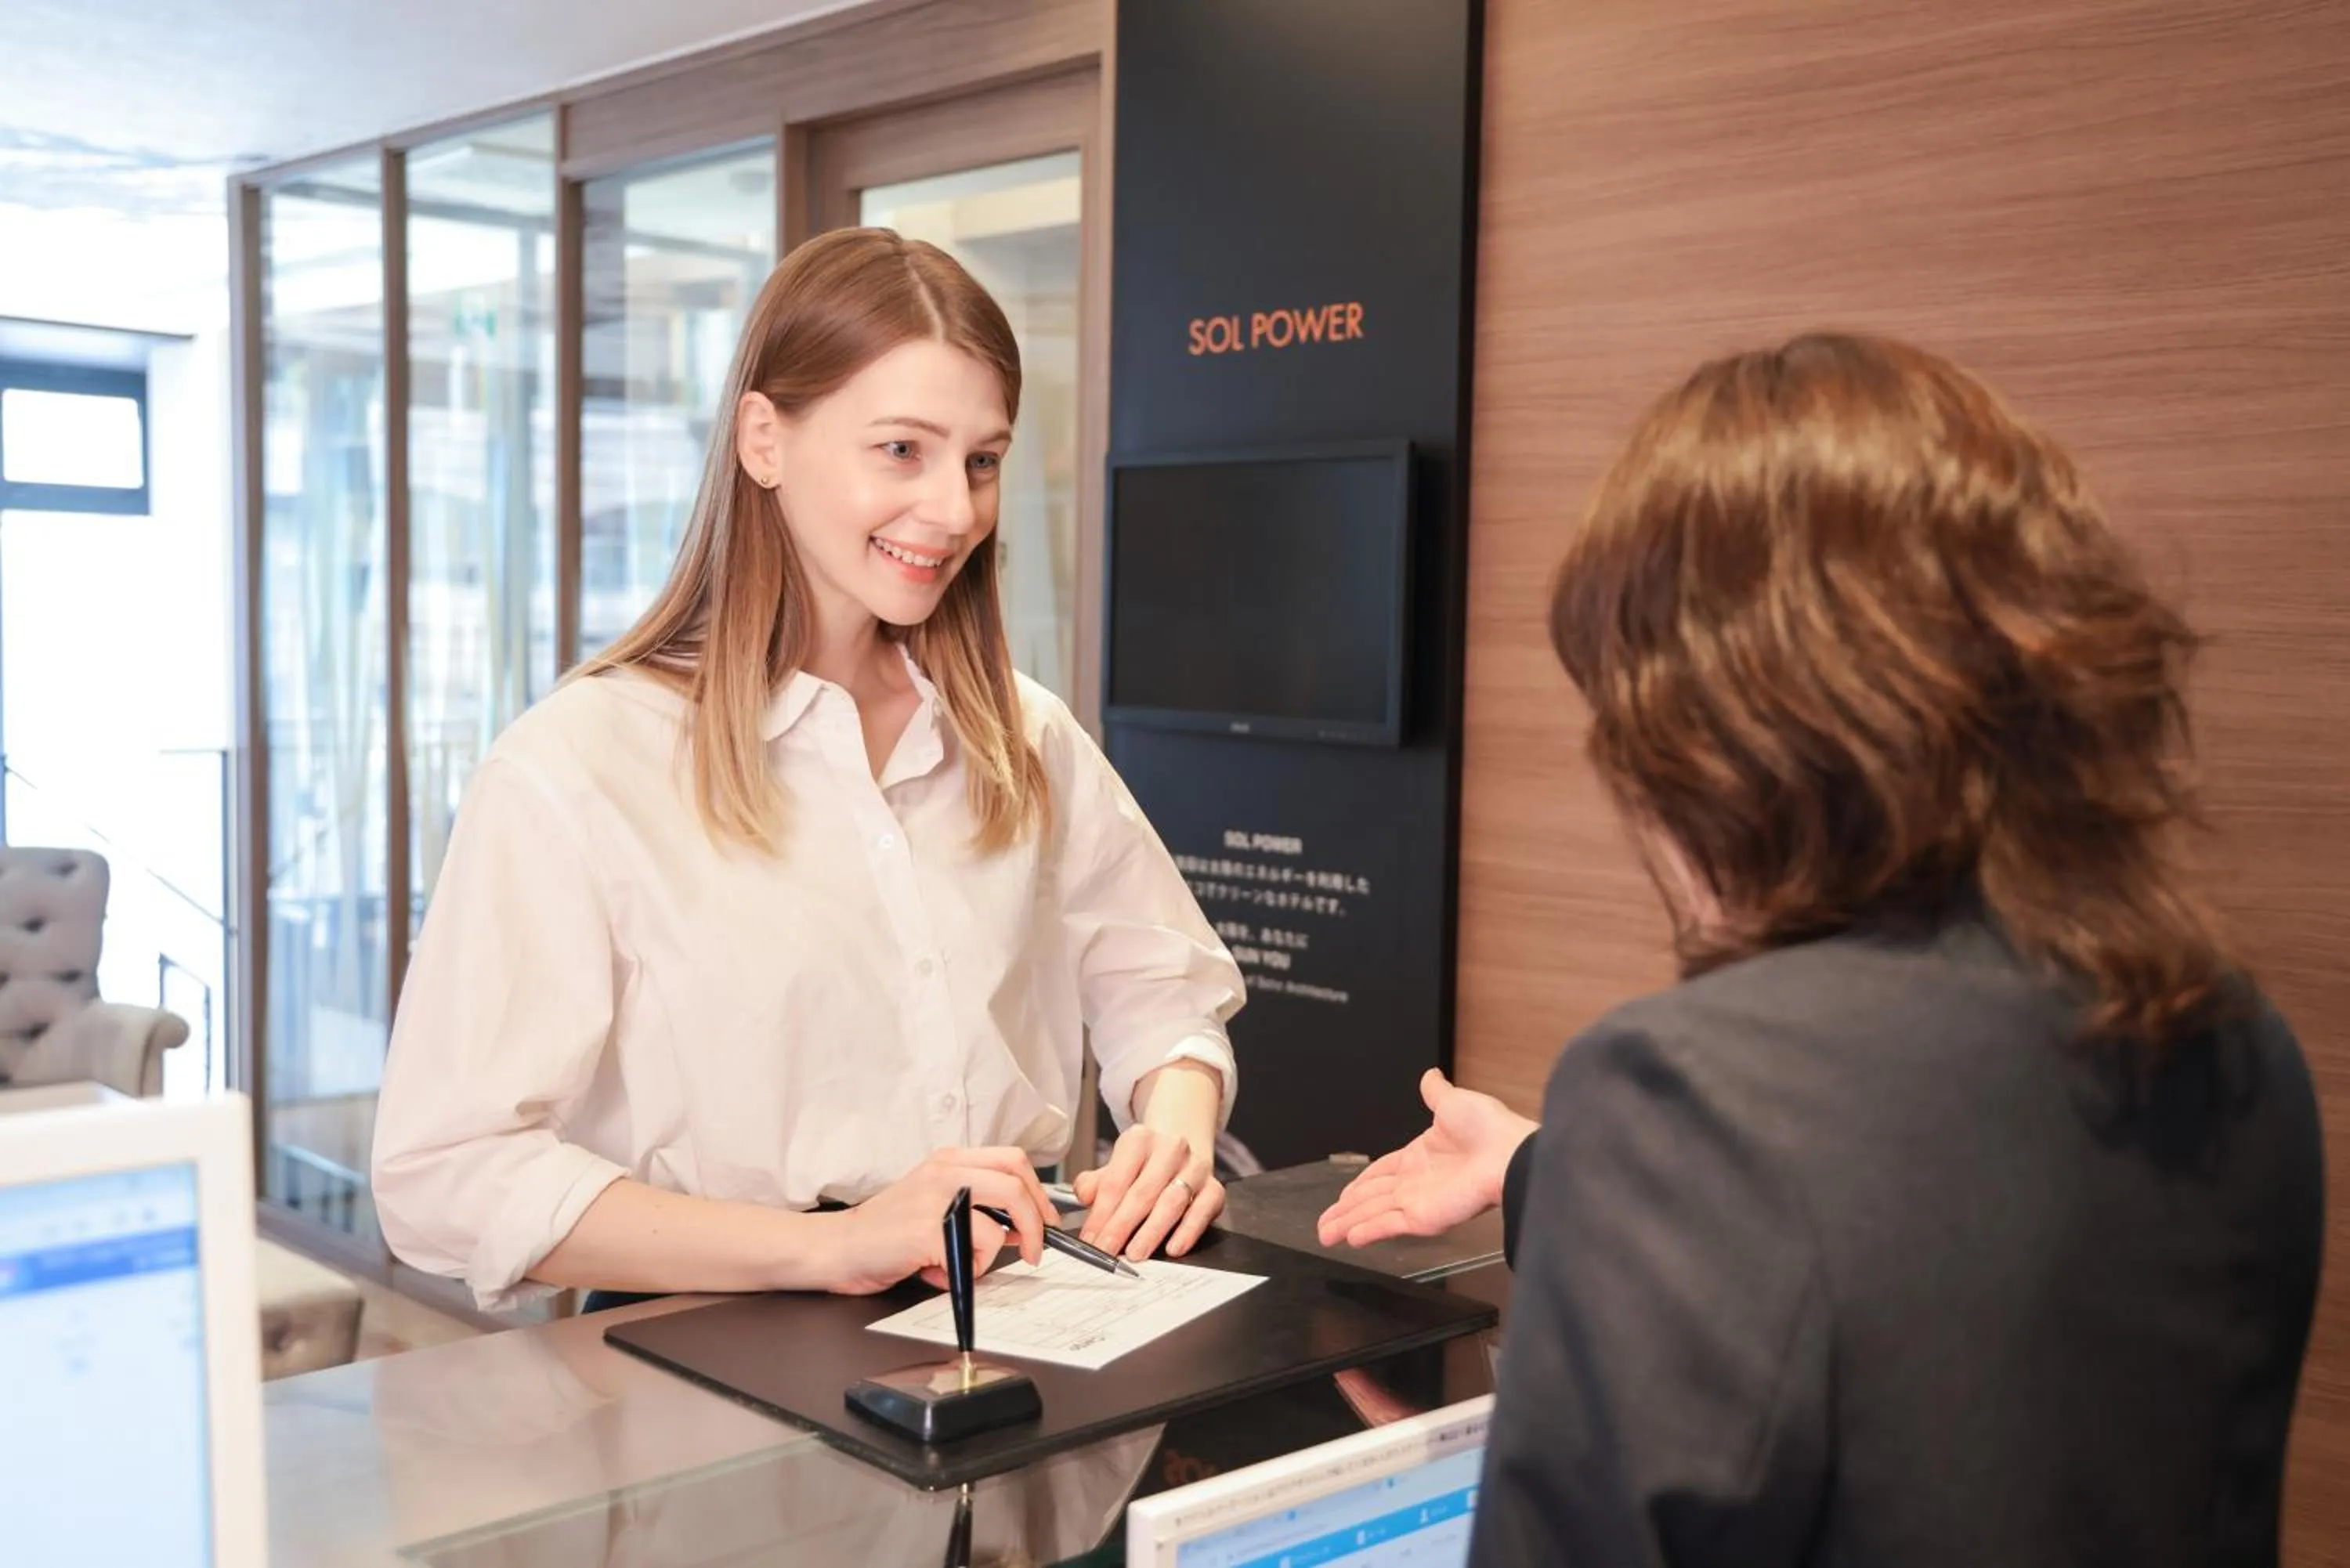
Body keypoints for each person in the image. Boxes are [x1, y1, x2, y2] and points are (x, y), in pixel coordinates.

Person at [1319, 333, 2323, 1566]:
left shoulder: (1694, 1100)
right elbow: (1935, 1255)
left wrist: (1628, 1164)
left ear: (1720, 737)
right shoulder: (2230, 1039)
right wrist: (1552, 1166)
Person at [373, 229, 1243, 1314]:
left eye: (982, 459)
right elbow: (445, 1173)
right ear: (763, 439)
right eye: (901, 450)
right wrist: (828, 1248)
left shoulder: (1025, 738)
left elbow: (1163, 987)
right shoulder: (579, 765)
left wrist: (1174, 1123)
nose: (955, 509)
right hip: (713, 1360)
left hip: (1021, 1318)